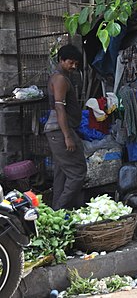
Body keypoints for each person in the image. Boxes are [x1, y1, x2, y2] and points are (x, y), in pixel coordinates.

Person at [45, 44, 87, 210]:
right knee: (78, 173)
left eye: (76, 63)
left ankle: (57, 213)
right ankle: (60, 208)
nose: (74, 66)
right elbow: (60, 108)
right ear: (61, 60)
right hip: (60, 131)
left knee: (61, 173)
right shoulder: (60, 79)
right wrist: (68, 136)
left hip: (58, 131)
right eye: (70, 62)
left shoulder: (61, 77)